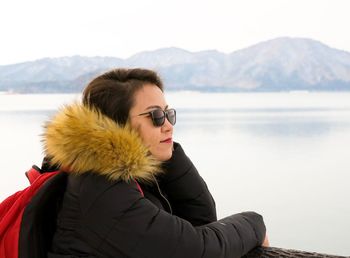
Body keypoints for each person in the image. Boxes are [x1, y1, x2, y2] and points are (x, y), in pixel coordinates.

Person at [42, 68, 269, 258]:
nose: (169, 125)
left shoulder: (128, 176)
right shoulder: (101, 189)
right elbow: (197, 250)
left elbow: (201, 220)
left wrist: (167, 153)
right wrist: (254, 223)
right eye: (156, 117)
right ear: (115, 125)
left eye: (168, 114)